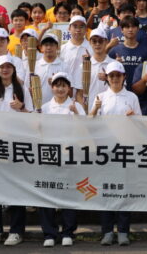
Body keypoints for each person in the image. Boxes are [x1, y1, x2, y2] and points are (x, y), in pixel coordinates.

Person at [89, 60, 141, 246]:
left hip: (125, 149)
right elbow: (90, 123)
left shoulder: (132, 97)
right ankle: (107, 231)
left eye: (118, 75)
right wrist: (95, 108)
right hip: (105, 151)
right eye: (111, 76)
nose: (115, 78)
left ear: (124, 77)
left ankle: (123, 231)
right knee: (106, 191)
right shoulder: (100, 96)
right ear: (107, 78)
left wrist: (134, 117)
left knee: (123, 191)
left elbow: (140, 123)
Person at [0, 56, 32, 246]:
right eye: (1, 67)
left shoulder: (22, 90)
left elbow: (33, 117)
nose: (5, 69)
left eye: (8, 66)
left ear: (14, 69)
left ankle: (16, 231)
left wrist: (22, 108)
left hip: (17, 144)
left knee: (16, 188)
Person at [39, 73, 84, 246]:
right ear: (52, 88)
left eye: (64, 85)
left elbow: (86, 129)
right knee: (47, 193)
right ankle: (49, 233)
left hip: (70, 155)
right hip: (49, 155)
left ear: (69, 88)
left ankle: (68, 232)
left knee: (68, 193)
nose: (60, 89)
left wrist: (76, 113)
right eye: (57, 85)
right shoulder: (44, 107)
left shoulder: (76, 106)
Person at [58, 15, 90, 103]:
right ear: (69, 28)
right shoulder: (62, 49)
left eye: (81, 26)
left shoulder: (91, 48)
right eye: (75, 26)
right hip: (65, 92)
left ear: (86, 29)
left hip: (84, 92)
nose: (78, 30)